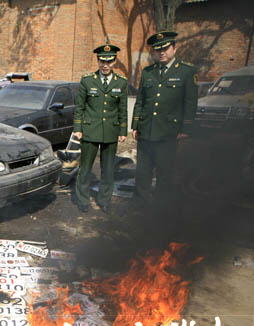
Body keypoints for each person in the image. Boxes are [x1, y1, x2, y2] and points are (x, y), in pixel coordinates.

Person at [131, 31, 198, 208]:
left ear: (174, 49)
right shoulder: (148, 72)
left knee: (164, 172)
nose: (162, 52)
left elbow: (190, 103)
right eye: (157, 49)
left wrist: (186, 129)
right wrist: (135, 125)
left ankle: (161, 207)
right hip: (146, 131)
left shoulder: (186, 71)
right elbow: (141, 101)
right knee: (142, 172)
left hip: (169, 132)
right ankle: (141, 205)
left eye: (166, 48)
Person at [73, 44, 128, 213]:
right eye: (102, 61)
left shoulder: (121, 82)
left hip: (110, 131)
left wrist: (122, 131)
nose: (105, 65)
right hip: (90, 130)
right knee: (85, 168)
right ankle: (82, 200)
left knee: (108, 169)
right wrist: (78, 128)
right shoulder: (87, 80)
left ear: (114, 61)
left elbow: (122, 109)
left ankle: (104, 199)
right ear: (97, 60)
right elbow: (79, 107)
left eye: (109, 61)